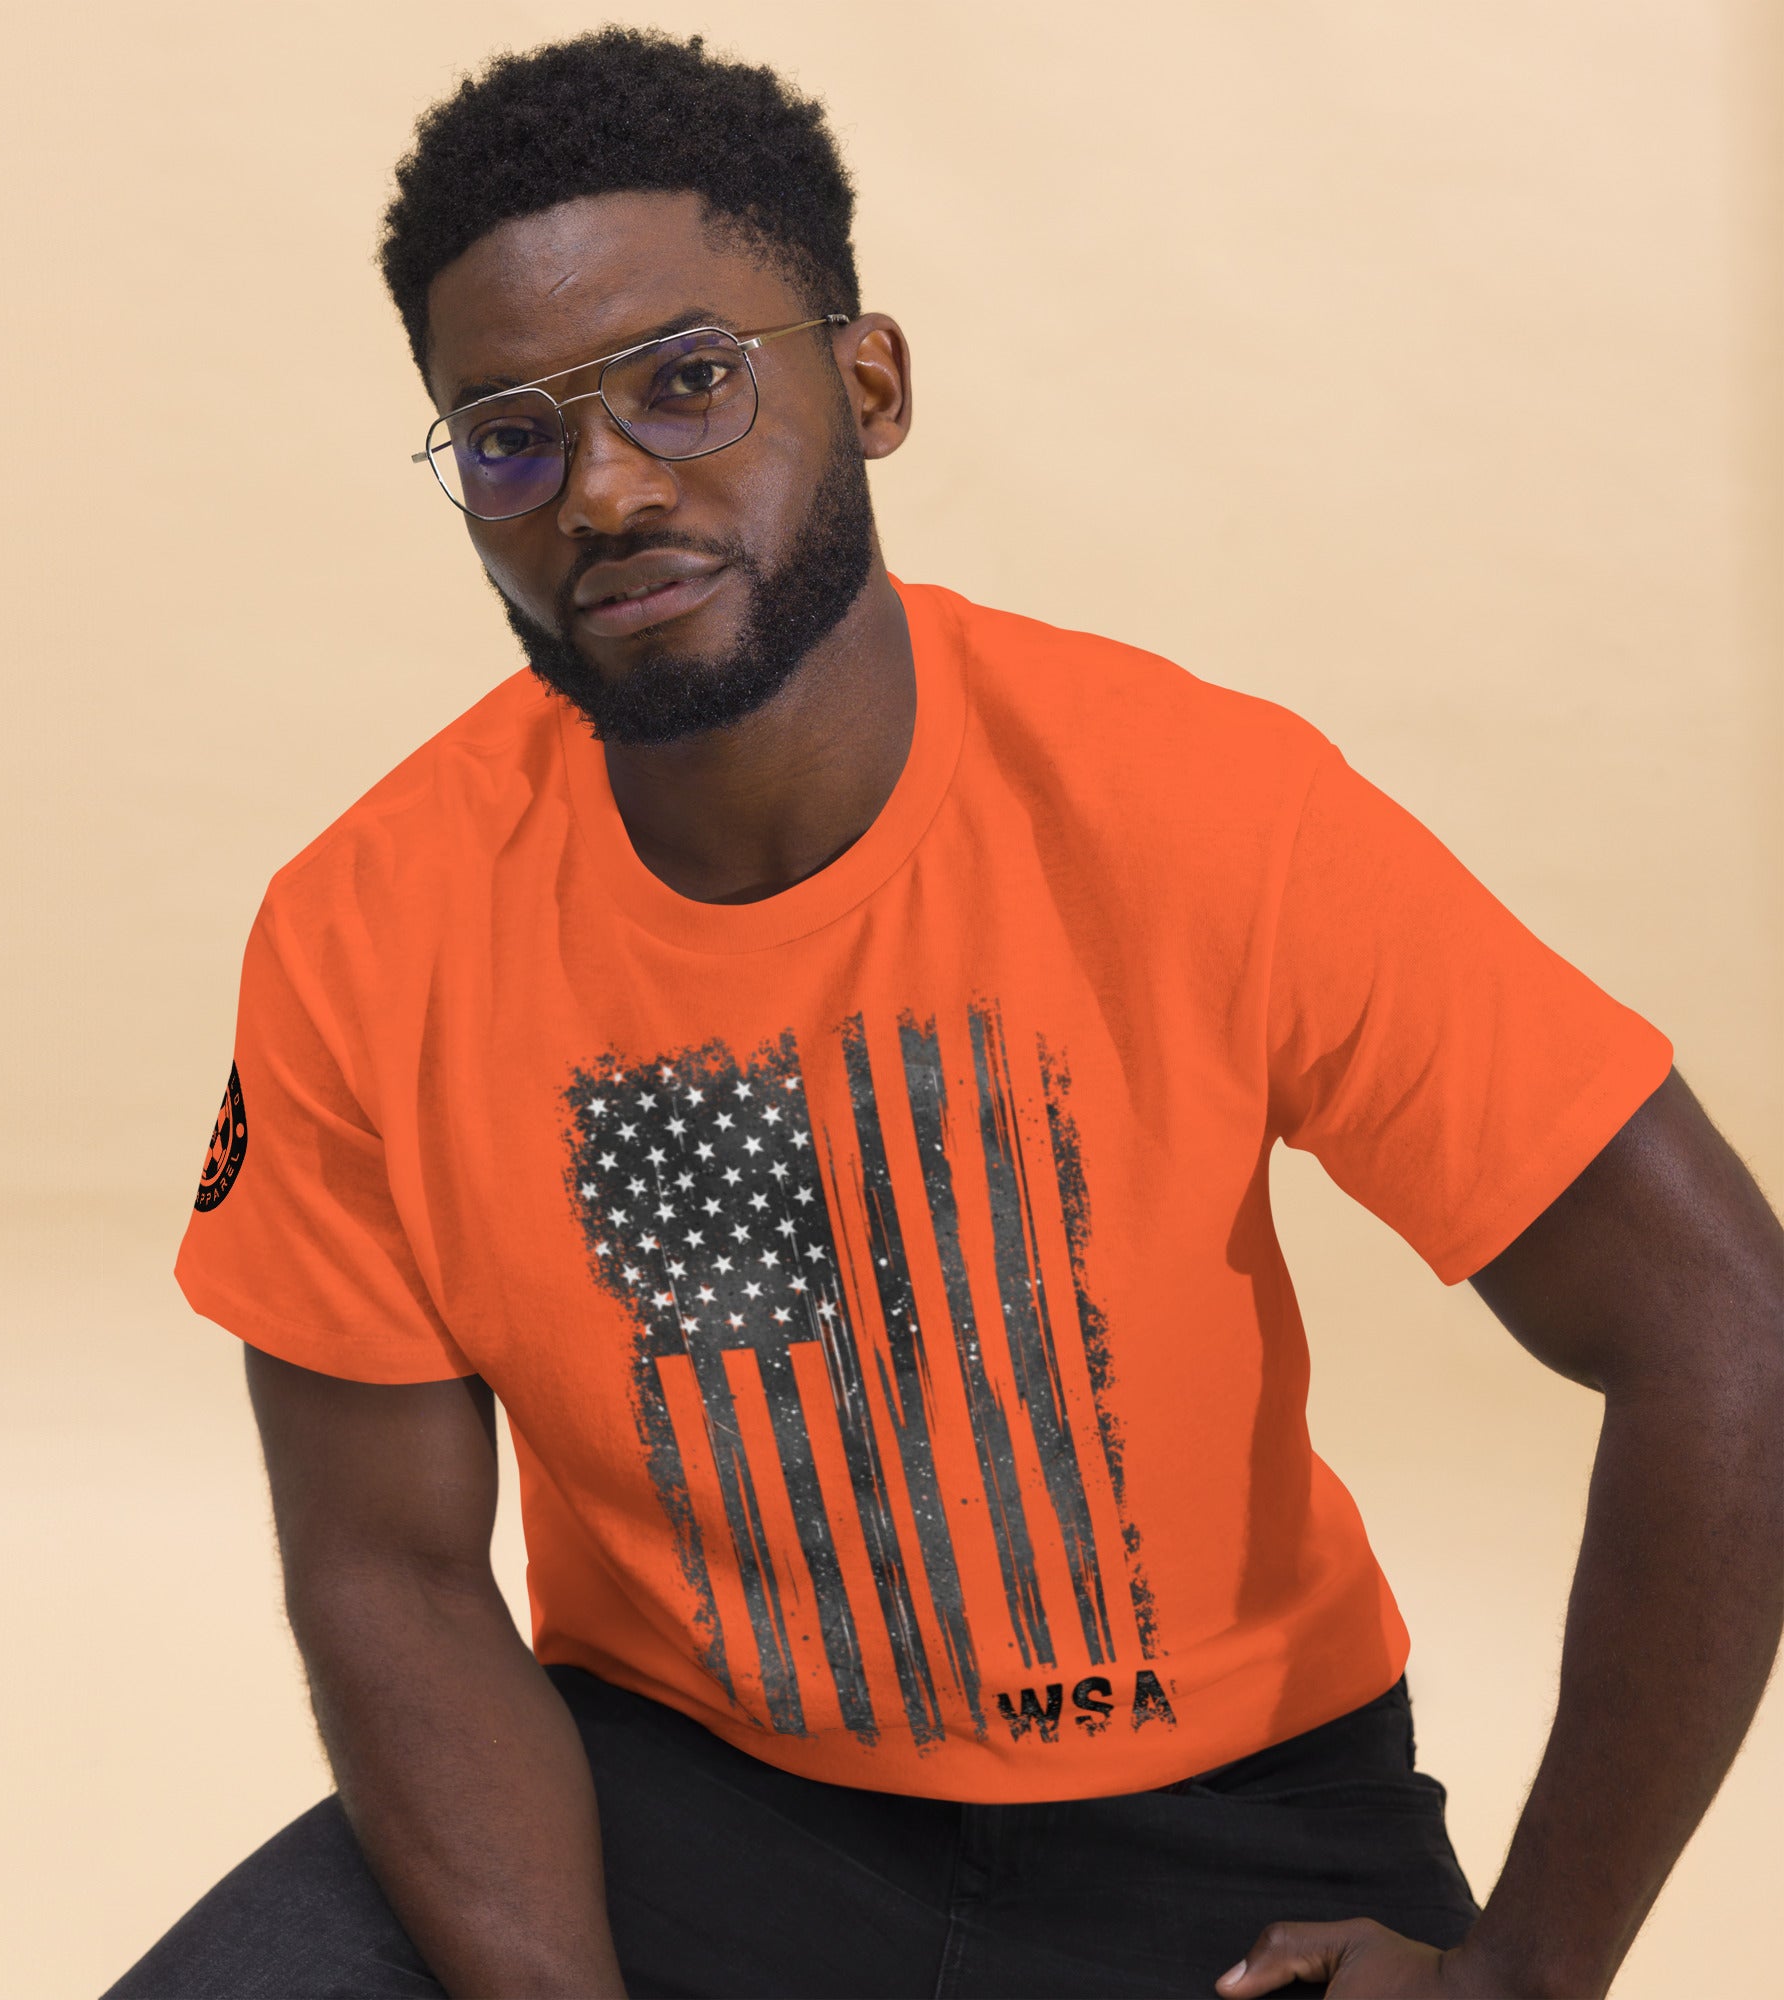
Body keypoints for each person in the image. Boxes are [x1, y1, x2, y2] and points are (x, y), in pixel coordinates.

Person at [107, 28, 1784, 2000]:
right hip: (680, 1803)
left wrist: (1529, 1972)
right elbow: (386, 1563)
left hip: (1220, 1833)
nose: (605, 489)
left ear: (871, 384)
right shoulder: (364, 926)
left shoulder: (1201, 808)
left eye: (686, 380)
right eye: (509, 439)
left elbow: (1724, 1328)